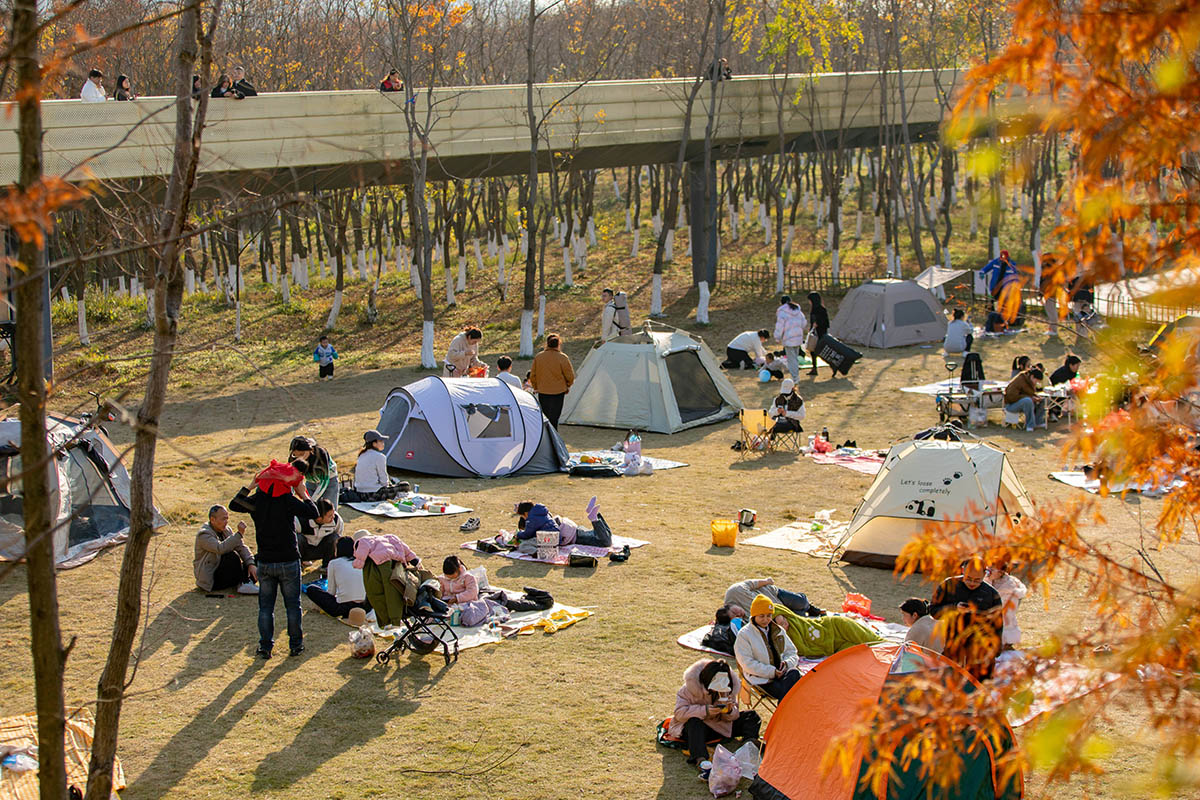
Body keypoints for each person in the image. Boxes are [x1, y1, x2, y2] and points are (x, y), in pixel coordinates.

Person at [248, 460, 320, 658]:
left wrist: (250, 486)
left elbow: (234, 505)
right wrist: (302, 492)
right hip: (288, 559)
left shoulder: (258, 499)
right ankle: (296, 645)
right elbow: (313, 513)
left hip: (265, 560)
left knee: (265, 608)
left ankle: (265, 647)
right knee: (293, 606)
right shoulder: (287, 500)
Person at [668, 659, 761, 767]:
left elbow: (734, 716)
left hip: (721, 725)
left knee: (751, 715)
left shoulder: (728, 689)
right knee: (694, 723)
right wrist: (705, 710)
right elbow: (679, 713)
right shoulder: (689, 689)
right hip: (699, 729)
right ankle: (700, 759)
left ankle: (749, 744)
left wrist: (729, 710)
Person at [929, 558, 1003, 680]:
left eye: (977, 580)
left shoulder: (991, 594)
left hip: (979, 644)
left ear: (985, 574)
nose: (972, 583)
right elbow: (933, 611)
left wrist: (996, 649)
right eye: (968, 578)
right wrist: (954, 608)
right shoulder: (949, 585)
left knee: (980, 682)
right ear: (962, 570)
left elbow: (998, 624)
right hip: (953, 640)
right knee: (947, 678)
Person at [734, 595, 802, 700]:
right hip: (761, 679)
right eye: (761, 616)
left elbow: (792, 652)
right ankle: (785, 712)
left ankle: (784, 712)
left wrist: (786, 664)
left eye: (769, 616)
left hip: (783, 675)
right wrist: (772, 672)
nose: (766, 620)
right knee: (790, 690)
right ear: (754, 616)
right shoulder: (744, 635)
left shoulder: (778, 630)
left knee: (795, 674)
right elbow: (747, 664)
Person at [194, 504, 258, 593]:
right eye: (223, 519)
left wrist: (251, 564)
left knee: (258, 558)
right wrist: (239, 534)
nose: (226, 521)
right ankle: (244, 582)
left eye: (227, 518)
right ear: (213, 520)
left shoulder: (226, 530)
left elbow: (241, 547)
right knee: (231, 555)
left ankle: (246, 583)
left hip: (227, 574)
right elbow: (220, 548)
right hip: (213, 579)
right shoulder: (204, 534)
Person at [303, 536, 370, 619]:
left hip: (342, 609)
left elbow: (331, 592)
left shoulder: (334, 563)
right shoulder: (361, 562)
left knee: (311, 589)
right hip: (365, 607)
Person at [514, 496, 612, 548]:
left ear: (526, 513)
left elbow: (527, 533)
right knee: (607, 534)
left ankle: (594, 518)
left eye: (523, 516)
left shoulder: (532, 519)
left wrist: (518, 534)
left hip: (574, 536)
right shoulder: (541, 511)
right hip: (573, 527)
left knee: (606, 542)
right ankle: (595, 514)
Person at [530, 333, 574, 429]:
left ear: (547, 344)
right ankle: (554, 435)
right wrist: (567, 385)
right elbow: (570, 376)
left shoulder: (539, 357)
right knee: (555, 416)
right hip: (559, 391)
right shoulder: (562, 357)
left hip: (543, 390)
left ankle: (546, 435)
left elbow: (533, 375)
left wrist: (536, 387)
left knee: (545, 416)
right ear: (559, 344)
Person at [724, 577, 823, 618]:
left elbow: (752, 584)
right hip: (776, 610)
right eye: (736, 616)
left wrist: (767, 581)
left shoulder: (734, 591)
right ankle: (806, 610)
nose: (739, 614)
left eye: (735, 611)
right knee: (799, 617)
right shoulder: (744, 619)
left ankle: (808, 606)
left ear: (729, 606)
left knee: (802, 602)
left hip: (774, 594)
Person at [985, 553, 1027, 650]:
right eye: (988, 567)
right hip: (994, 617)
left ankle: (1005, 644)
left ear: (1000, 572)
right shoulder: (990, 579)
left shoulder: (1008, 585)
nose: (989, 570)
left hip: (1003, 615)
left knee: (1004, 627)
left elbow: (994, 597)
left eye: (992, 568)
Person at [289, 435, 338, 509]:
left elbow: (324, 481)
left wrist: (312, 501)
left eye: (302, 454)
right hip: (310, 482)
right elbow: (292, 479)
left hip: (329, 482)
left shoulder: (321, 453)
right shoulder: (293, 458)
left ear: (309, 449)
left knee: (329, 510)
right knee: (310, 512)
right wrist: (290, 497)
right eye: (296, 455)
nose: (300, 458)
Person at [296, 498, 342, 570]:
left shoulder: (337, 520)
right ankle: (297, 566)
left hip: (322, 549)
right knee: (297, 538)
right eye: (330, 516)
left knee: (335, 538)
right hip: (304, 550)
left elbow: (339, 538)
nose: (333, 517)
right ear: (319, 518)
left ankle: (327, 566)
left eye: (333, 513)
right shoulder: (301, 520)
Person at [773, 295, 808, 383]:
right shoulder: (798, 311)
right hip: (798, 337)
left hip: (788, 338)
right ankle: (796, 376)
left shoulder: (782, 312)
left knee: (791, 359)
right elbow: (804, 323)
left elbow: (779, 326)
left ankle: (795, 378)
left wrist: (777, 337)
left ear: (781, 302)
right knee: (795, 358)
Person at [1005, 365, 1046, 431]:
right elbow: (1011, 396)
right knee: (1028, 400)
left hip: (1023, 402)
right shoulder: (1020, 380)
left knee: (1044, 400)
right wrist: (1031, 398)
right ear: (1032, 377)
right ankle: (1030, 425)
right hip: (1011, 405)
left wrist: (1036, 397)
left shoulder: (1029, 381)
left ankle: (1038, 421)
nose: (1037, 383)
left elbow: (1029, 393)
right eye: (1037, 381)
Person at [354, 430, 391, 496]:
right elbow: (384, 480)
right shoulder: (380, 457)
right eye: (381, 441)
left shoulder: (361, 455)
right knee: (404, 486)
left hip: (359, 492)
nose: (383, 443)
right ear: (374, 444)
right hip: (373, 493)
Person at [806, 292, 831, 376]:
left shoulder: (816, 310)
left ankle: (814, 368)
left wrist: (816, 325)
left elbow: (819, 322)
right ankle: (815, 368)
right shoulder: (822, 309)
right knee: (817, 350)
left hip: (818, 333)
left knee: (815, 350)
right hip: (821, 332)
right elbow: (827, 323)